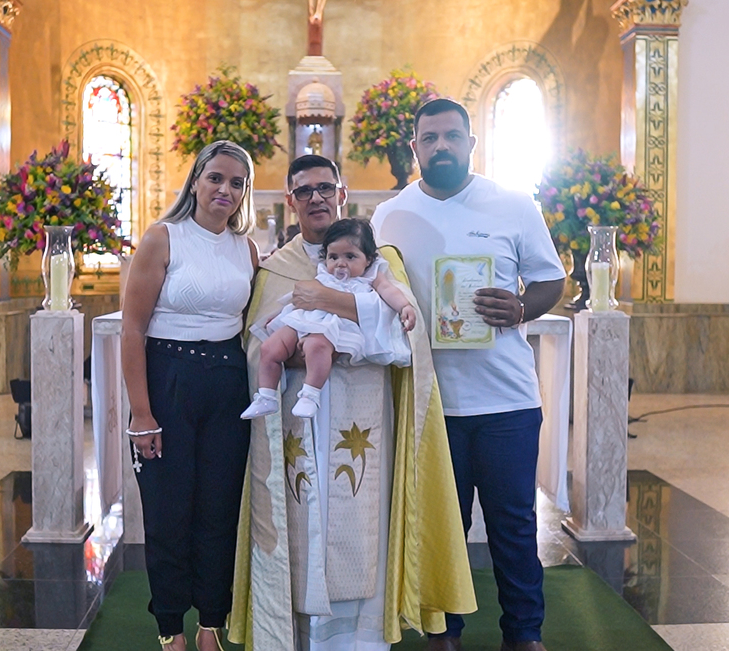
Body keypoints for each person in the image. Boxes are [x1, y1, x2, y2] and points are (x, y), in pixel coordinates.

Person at [229, 154, 475, 651]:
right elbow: (254, 345)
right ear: (291, 200)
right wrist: (297, 350)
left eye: (326, 187)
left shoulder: (382, 259)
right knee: (301, 532)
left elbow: (407, 335)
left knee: (360, 528)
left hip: (366, 414)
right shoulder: (275, 268)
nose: (316, 198)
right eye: (305, 190)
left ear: (342, 194)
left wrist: (327, 305)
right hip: (296, 421)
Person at [372, 99, 567, 651]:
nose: (441, 146)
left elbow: (551, 280)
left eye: (452, 136)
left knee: (514, 525)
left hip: (506, 400)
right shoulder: (389, 216)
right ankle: (443, 631)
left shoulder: (513, 205)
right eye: (430, 138)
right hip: (430, 401)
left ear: (471, 144)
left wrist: (521, 307)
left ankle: (524, 633)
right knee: (441, 527)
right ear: (415, 147)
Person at [121, 140, 260, 651]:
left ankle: (210, 624)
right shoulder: (163, 238)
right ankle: (170, 628)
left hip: (227, 382)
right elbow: (132, 329)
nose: (225, 189)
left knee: (219, 510)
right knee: (168, 511)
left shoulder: (247, 248)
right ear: (196, 180)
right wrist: (142, 413)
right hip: (169, 377)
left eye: (237, 183)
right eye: (216, 177)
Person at [242, 217, 415, 420]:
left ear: (368, 259)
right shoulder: (320, 271)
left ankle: (310, 394)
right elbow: (298, 299)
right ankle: (266, 395)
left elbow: (387, 290)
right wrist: (279, 316)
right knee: (270, 347)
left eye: (350, 256)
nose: (340, 263)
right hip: (306, 318)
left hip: (334, 326)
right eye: (333, 257)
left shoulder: (371, 275)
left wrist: (404, 306)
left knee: (316, 346)